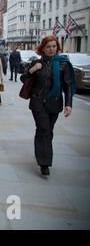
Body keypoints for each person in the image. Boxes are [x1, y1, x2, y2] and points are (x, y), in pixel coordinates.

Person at [20, 36, 76, 176]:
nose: (51, 49)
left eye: (54, 46)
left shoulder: (63, 64)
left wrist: (68, 104)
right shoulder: (37, 62)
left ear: (57, 47)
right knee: (43, 128)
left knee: (48, 131)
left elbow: (68, 85)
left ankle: (41, 151)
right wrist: (32, 70)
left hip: (54, 102)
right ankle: (44, 163)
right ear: (43, 48)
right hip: (38, 102)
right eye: (48, 47)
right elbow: (23, 78)